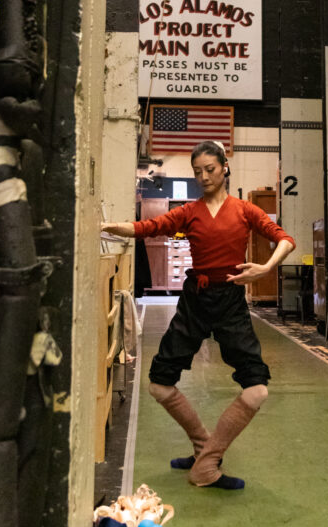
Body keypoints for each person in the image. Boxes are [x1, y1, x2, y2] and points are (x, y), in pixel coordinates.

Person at [100, 140, 295, 490]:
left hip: (231, 301)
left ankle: (206, 463)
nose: (204, 177)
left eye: (210, 169)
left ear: (224, 168)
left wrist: (264, 268)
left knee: (256, 391)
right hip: (194, 300)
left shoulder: (245, 210)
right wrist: (110, 226)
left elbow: (284, 239)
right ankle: (204, 448)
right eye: (197, 172)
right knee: (160, 384)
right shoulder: (190, 212)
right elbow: (148, 227)